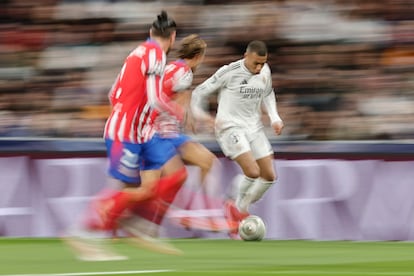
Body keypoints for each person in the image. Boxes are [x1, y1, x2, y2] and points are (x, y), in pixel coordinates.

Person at [64, 10, 188, 260]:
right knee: (126, 187)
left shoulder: (137, 52)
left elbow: (113, 93)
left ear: (151, 32)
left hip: (139, 131)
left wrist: (129, 111)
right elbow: (154, 99)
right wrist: (174, 110)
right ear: (172, 37)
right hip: (127, 133)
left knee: (164, 180)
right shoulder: (156, 55)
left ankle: (138, 226)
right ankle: (83, 233)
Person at [125, 34, 236, 234]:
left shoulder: (168, 68)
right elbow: (182, 110)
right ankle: (203, 213)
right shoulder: (185, 73)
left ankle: (144, 224)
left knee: (156, 186)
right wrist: (205, 121)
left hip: (147, 132)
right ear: (198, 56)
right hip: (163, 134)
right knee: (208, 163)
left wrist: (198, 119)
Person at [191, 40, 284, 239]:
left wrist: (275, 117)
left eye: (262, 63)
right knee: (252, 171)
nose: (259, 68)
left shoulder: (264, 71)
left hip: (254, 127)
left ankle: (237, 208)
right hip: (229, 127)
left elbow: (268, 93)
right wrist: (202, 116)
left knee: (269, 177)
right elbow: (199, 92)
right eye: (255, 63)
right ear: (246, 56)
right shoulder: (229, 72)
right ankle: (234, 209)